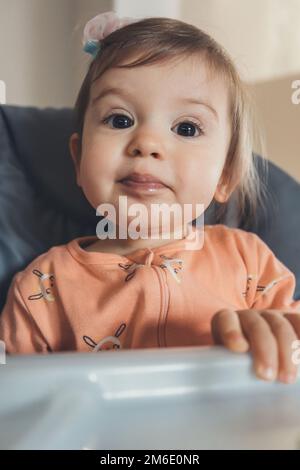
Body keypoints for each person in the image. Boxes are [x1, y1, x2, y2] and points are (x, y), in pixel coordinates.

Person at [1, 11, 299, 384]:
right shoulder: (43, 286)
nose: (147, 144)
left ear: (225, 176)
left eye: (186, 128)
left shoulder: (248, 260)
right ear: (78, 160)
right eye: (120, 120)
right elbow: (18, 408)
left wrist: (271, 332)